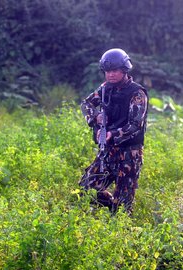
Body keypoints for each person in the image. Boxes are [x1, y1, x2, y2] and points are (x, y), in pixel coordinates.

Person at [79, 48, 148, 215]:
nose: (110, 75)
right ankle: (111, 207)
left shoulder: (137, 93)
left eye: (115, 70)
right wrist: (95, 117)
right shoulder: (104, 89)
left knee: (123, 208)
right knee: (86, 189)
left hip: (129, 155)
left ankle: (121, 226)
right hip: (108, 151)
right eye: (107, 71)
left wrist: (113, 134)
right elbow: (86, 104)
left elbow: (135, 125)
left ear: (124, 70)